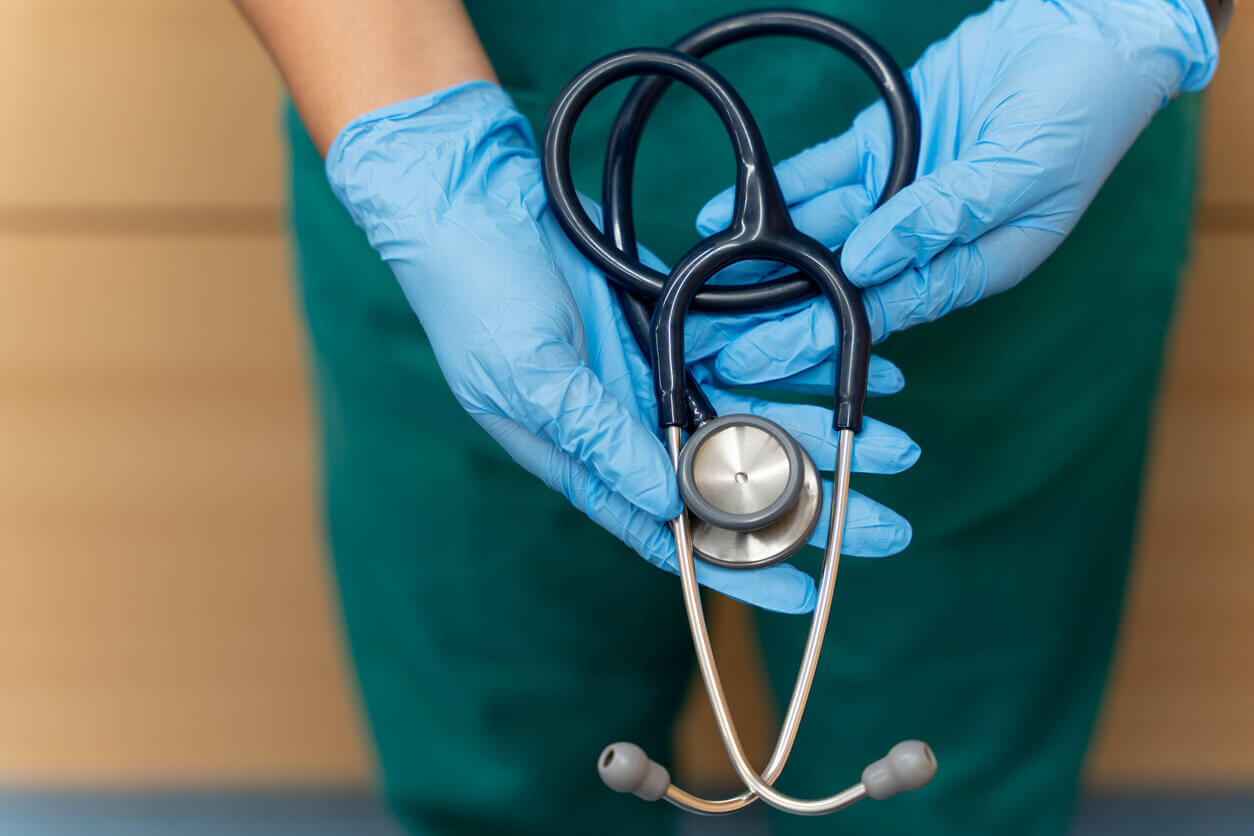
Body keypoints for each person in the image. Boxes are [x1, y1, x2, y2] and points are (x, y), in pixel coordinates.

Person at [232, 1, 1228, 833]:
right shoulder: (441, 175)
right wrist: (414, 131)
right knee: (506, 762)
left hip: (999, 161)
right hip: (456, 166)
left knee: (949, 785)